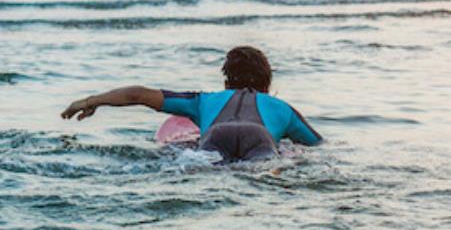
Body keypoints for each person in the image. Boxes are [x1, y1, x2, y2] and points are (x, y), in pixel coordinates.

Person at [60, 46, 323, 161]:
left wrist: (90, 101)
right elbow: (315, 144)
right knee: (259, 176)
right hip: (260, 138)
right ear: (268, 82)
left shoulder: (202, 101)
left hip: (216, 136)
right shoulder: (284, 109)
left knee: (206, 171)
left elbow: (138, 94)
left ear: (226, 81)